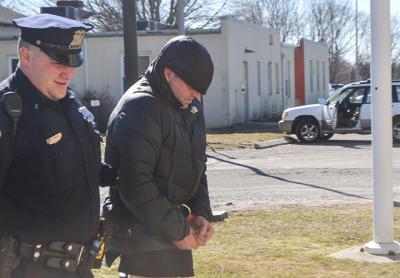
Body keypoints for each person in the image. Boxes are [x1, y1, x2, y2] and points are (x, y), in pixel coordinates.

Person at [0, 14, 101, 278]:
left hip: (78, 268)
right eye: (57, 62)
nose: (69, 71)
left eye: (73, 62)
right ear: (26, 55)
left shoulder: (69, 106)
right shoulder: (8, 113)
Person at [105, 35, 215, 277]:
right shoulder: (140, 107)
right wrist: (180, 232)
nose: (196, 96)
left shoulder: (187, 105)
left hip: (173, 234)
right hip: (144, 245)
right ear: (168, 74)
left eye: (200, 91)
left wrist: (201, 212)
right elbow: (135, 185)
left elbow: (197, 164)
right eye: (192, 87)